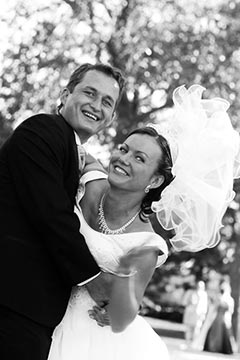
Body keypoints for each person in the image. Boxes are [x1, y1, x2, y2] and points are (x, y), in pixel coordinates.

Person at [48, 84, 240, 360]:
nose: (122, 160)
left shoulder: (146, 245)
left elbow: (124, 309)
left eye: (138, 158)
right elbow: (78, 147)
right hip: (42, 309)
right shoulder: (90, 179)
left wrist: (116, 309)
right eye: (124, 149)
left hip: (92, 342)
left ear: (155, 180)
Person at [0, 62, 125, 360]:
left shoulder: (75, 153)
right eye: (89, 93)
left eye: (107, 102)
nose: (96, 105)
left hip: (35, 314)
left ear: (111, 117)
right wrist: (94, 280)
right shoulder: (41, 131)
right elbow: (52, 216)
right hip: (11, 303)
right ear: (65, 94)